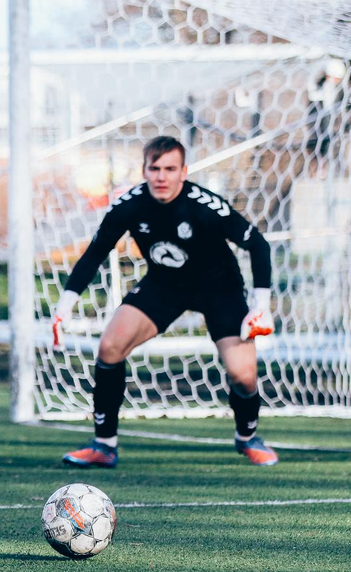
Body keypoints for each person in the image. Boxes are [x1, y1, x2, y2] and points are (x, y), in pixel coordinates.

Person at [52, 135, 277, 468]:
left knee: (242, 376)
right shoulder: (129, 205)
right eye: (154, 168)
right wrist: (65, 305)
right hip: (164, 285)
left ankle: (247, 436)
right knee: (110, 347)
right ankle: (104, 445)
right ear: (144, 170)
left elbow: (258, 245)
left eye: (170, 169)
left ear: (183, 172)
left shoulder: (204, 205)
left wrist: (261, 307)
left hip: (220, 290)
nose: (161, 177)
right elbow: (95, 253)